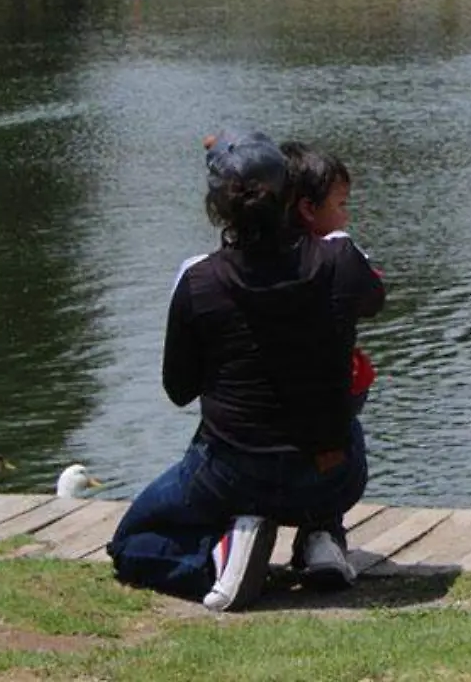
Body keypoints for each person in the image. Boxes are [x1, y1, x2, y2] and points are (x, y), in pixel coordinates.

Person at [107, 131, 386, 612]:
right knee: (334, 407)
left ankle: (219, 562)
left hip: (233, 476)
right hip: (333, 474)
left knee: (133, 542)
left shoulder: (198, 279)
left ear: (217, 209)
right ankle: (321, 533)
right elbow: (375, 299)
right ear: (294, 199)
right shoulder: (340, 257)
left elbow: (179, 389)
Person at [281, 141, 379, 414]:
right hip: (334, 401)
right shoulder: (339, 252)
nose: (346, 216)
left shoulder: (251, 258)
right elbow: (374, 301)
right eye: (341, 204)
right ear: (309, 209)